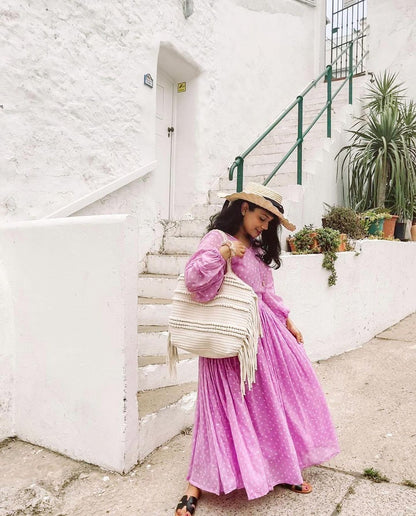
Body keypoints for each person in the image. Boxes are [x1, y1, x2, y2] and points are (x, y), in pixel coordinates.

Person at [174, 183, 340, 516]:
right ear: (244, 209)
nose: (264, 227)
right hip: (227, 339)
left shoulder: (256, 249)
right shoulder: (217, 240)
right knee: (218, 410)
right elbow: (193, 279)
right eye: (261, 219)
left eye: (269, 223)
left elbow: (266, 293)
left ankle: (280, 468)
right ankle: (195, 483)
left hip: (262, 337)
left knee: (274, 402)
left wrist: (287, 321)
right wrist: (224, 254)